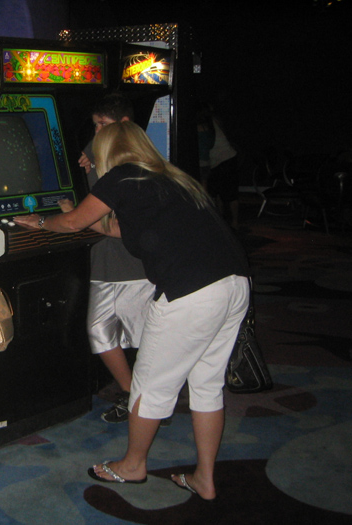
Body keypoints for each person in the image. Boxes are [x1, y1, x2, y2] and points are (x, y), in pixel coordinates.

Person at [13, 121, 249, 501]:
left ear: (109, 152)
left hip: (191, 292)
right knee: (207, 385)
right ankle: (205, 478)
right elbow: (122, 230)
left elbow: (72, 222)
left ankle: (133, 465)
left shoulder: (121, 175)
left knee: (149, 385)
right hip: (234, 282)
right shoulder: (168, 177)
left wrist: (41, 221)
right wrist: (78, 218)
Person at [75, 93, 156, 425]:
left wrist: (67, 217)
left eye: (103, 124)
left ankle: (147, 400)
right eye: (95, 125)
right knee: (100, 331)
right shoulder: (101, 153)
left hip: (134, 262)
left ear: (124, 124)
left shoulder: (134, 161)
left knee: (145, 336)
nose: (97, 131)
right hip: (106, 260)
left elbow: (118, 226)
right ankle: (134, 394)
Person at [207, 104, 240, 228]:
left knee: (229, 193)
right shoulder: (212, 120)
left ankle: (234, 222)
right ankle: (223, 221)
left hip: (226, 158)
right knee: (218, 193)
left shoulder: (208, 122)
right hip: (220, 160)